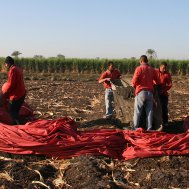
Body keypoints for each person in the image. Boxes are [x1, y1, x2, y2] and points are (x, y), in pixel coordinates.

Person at [132, 55, 160, 131]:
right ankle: (149, 128)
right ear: (147, 61)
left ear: (141, 61)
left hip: (141, 92)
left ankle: (135, 128)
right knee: (149, 112)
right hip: (150, 93)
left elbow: (134, 82)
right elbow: (157, 81)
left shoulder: (139, 68)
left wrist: (135, 87)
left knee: (137, 112)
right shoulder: (152, 69)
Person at [2, 56, 26, 125]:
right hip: (21, 93)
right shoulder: (18, 68)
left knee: (12, 112)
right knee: (15, 111)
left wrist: (4, 93)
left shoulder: (13, 70)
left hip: (17, 95)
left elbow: (11, 84)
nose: (5, 65)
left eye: (5, 64)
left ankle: (19, 127)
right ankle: (19, 123)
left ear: (8, 63)